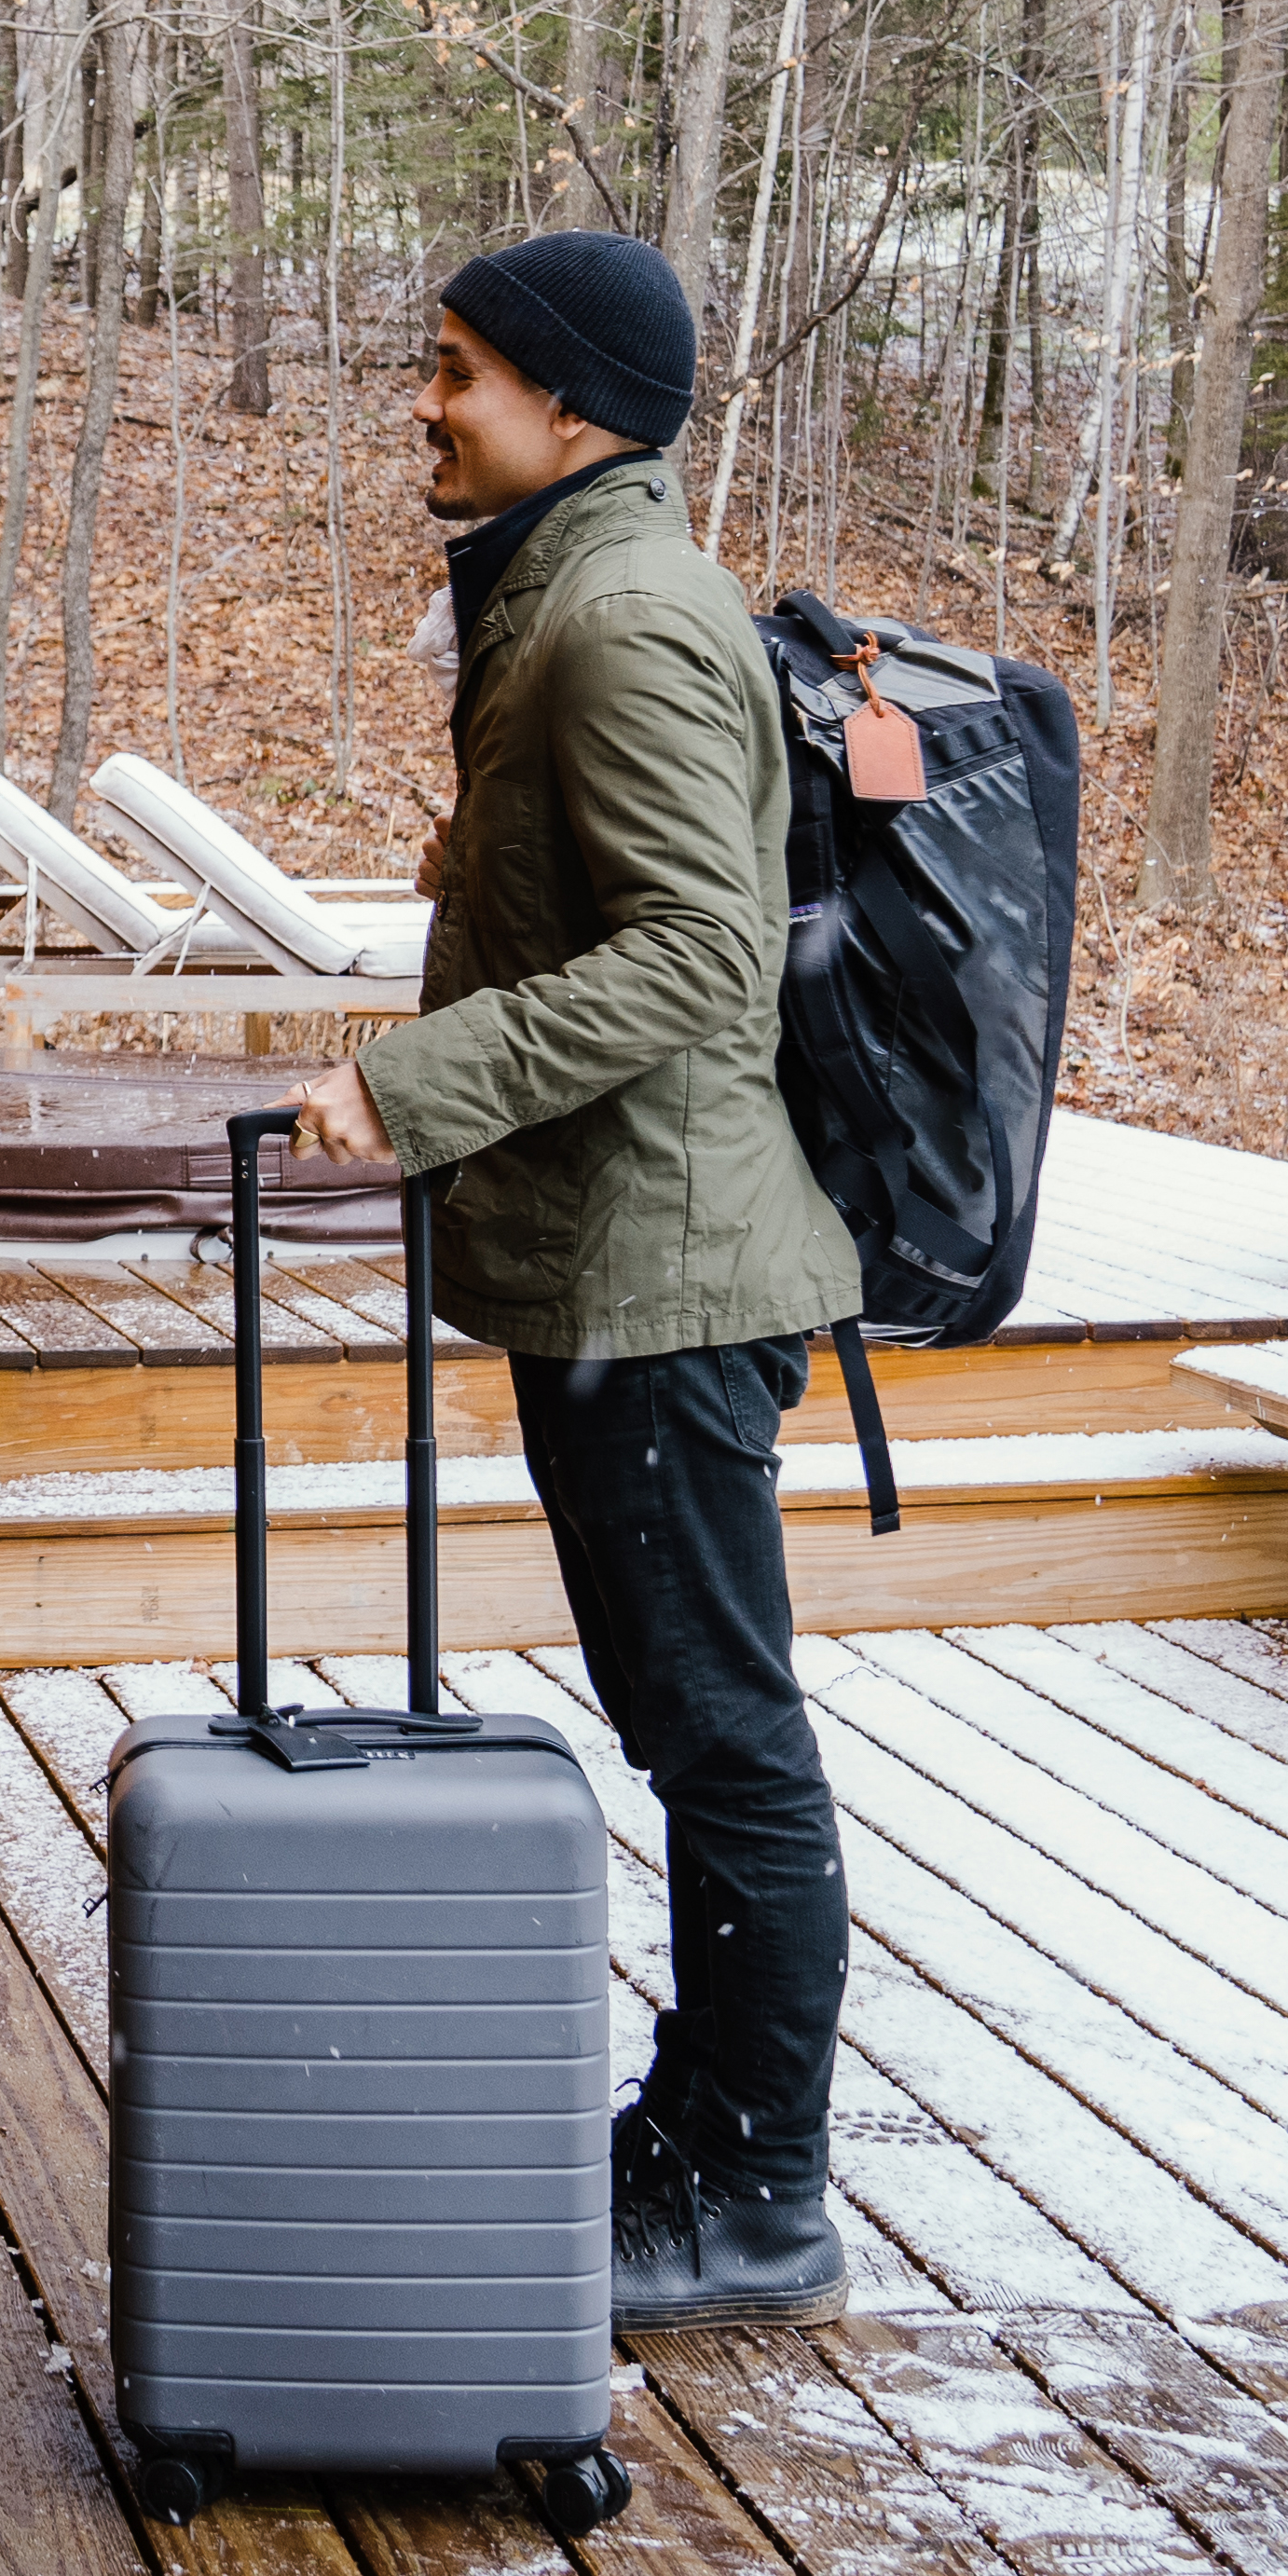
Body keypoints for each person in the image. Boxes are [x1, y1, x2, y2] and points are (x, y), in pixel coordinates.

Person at [287, 230, 863, 2331]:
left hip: (670, 1275)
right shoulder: (571, 592)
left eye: (457, 369)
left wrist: (415, 1080)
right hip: (624, 1259)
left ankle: (754, 2189)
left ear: (574, 405)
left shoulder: (615, 617)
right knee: (689, 1724)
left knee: (722, 1739)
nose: (426, 401)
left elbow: (707, 950)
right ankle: (694, 2126)